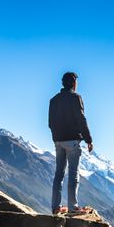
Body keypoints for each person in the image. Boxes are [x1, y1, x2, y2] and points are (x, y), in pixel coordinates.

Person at [48, 71, 93, 214]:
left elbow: (50, 123)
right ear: (74, 83)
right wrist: (88, 140)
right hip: (72, 141)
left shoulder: (53, 100)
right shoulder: (76, 98)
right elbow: (81, 119)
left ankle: (56, 207)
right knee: (73, 174)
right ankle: (73, 207)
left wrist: (57, 136)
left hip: (58, 141)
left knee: (59, 174)